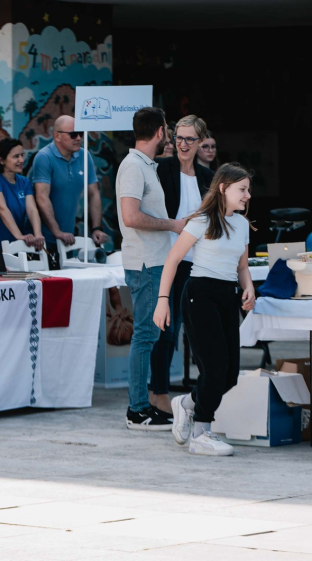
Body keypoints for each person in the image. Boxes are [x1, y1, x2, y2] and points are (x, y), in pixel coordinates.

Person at [153, 163, 256, 457]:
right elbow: (173, 259)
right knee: (214, 369)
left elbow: (242, 266)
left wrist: (248, 287)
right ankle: (200, 434)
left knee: (230, 375)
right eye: (242, 189)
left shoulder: (242, 225)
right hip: (199, 295)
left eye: (248, 190)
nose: (247, 195)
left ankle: (186, 403)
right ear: (223, 188)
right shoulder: (201, 220)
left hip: (227, 296)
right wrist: (163, 300)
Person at [116, 106, 184, 431]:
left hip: (154, 261)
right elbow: (130, 217)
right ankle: (137, 410)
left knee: (152, 334)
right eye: (167, 128)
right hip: (145, 263)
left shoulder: (145, 165)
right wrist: (172, 224)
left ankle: (144, 406)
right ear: (160, 132)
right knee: (145, 334)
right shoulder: (133, 166)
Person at [152, 115, 214, 414]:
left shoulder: (208, 176)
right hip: (166, 258)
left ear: (200, 141)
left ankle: (193, 391)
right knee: (164, 329)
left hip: (196, 261)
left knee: (184, 330)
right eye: (179, 138)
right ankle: (158, 392)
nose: (184, 144)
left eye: (190, 139)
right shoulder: (161, 168)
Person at [29, 115, 109, 254]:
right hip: (42, 240)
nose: (78, 138)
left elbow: (94, 193)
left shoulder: (84, 156)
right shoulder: (44, 157)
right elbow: (42, 197)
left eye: (80, 133)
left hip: (68, 238)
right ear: (57, 136)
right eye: (73, 134)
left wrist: (96, 228)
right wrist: (57, 232)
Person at [0, 138, 44, 250]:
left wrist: (38, 234)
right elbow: (1, 208)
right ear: (2, 160)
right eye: (16, 156)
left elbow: (32, 209)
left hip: (20, 244)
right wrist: (19, 235)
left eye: (22, 155)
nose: (21, 160)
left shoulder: (24, 181)